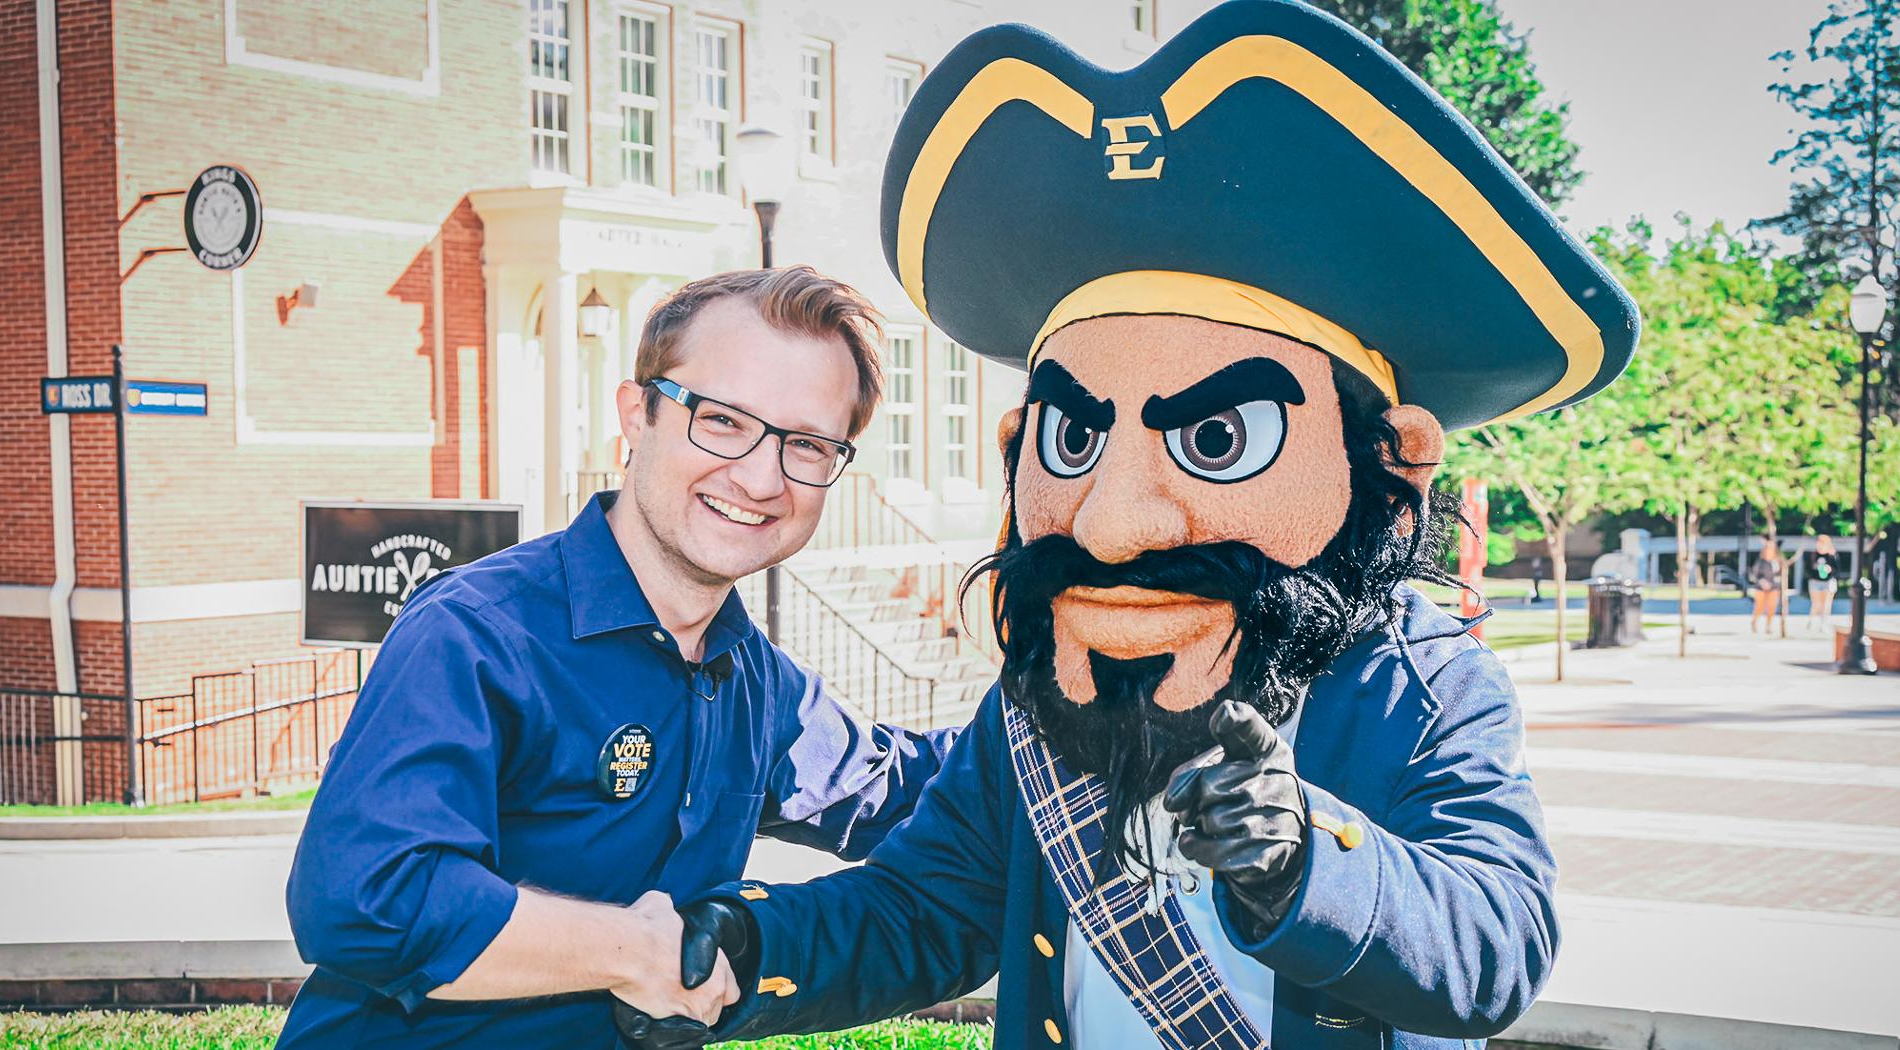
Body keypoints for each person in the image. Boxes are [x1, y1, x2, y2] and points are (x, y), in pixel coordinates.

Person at [620, 2, 1640, 1047]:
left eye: (1215, 440)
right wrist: (743, 953)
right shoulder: (1045, 696)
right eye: (1073, 440)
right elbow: (927, 909)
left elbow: (1498, 942)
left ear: (1388, 463)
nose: (1110, 526)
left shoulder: (1419, 691)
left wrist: (1307, 858)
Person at [278, 266, 959, 1048]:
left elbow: (913, 792)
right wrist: (631, 951)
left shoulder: (757, 686)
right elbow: (365, 897)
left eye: (805, 443)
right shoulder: (477, 635)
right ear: (637, 415)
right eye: (723, 421)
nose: (760, 477)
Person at [1749, 539, 1784, 635]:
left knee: (1772, 607)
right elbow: (1755, 574)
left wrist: (1775, 584)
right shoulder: (1761, 561)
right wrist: (1762, 582)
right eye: (1768, 547)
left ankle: (1768, 626)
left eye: (1772, 547)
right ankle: (1754, 622)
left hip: (1774, 587)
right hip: (1761, 587)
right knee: (1759, 607)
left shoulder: (1778, 560)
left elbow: (1780, 574)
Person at [1806, 534, 1840, 631]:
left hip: (1828, 582)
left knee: (1826, 604)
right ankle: (1811, 621)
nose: (1819, 545)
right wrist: (1815, 569)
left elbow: (1837, 570)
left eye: (1822, 543)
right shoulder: (1813, 555)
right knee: (1816, 604)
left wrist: (1829, 569)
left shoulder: (1832, 555)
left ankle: (1824, 624)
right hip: (1815, 582)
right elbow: (1807, 569)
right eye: (1818, 542)